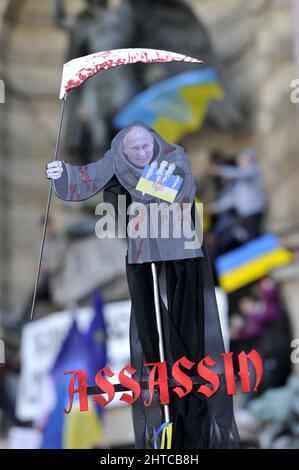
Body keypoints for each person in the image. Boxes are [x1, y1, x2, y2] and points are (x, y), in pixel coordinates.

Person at [46, 121, 239, 449]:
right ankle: (162, 380)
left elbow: (181, 190)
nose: (140, 153)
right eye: (133, 149)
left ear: (155, 144)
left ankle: (188, 387)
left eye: (145, 147)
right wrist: (61, 173)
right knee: (149, 320)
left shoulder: (173, 155)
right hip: (142, 248)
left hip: (180, 246)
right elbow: (89, 177)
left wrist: (146, 187)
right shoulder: (119, 159)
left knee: (185, 317)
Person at [209, 148, 265, 241]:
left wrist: (220, 170)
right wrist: (217, 206)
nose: (239, 163)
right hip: (246, 214)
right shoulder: (240, 179)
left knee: (254, 239)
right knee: (251, 239)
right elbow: (233, 198)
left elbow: (238, 173)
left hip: (254, 212)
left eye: (242, 160)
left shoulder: (252, 170)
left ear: (249, 160)